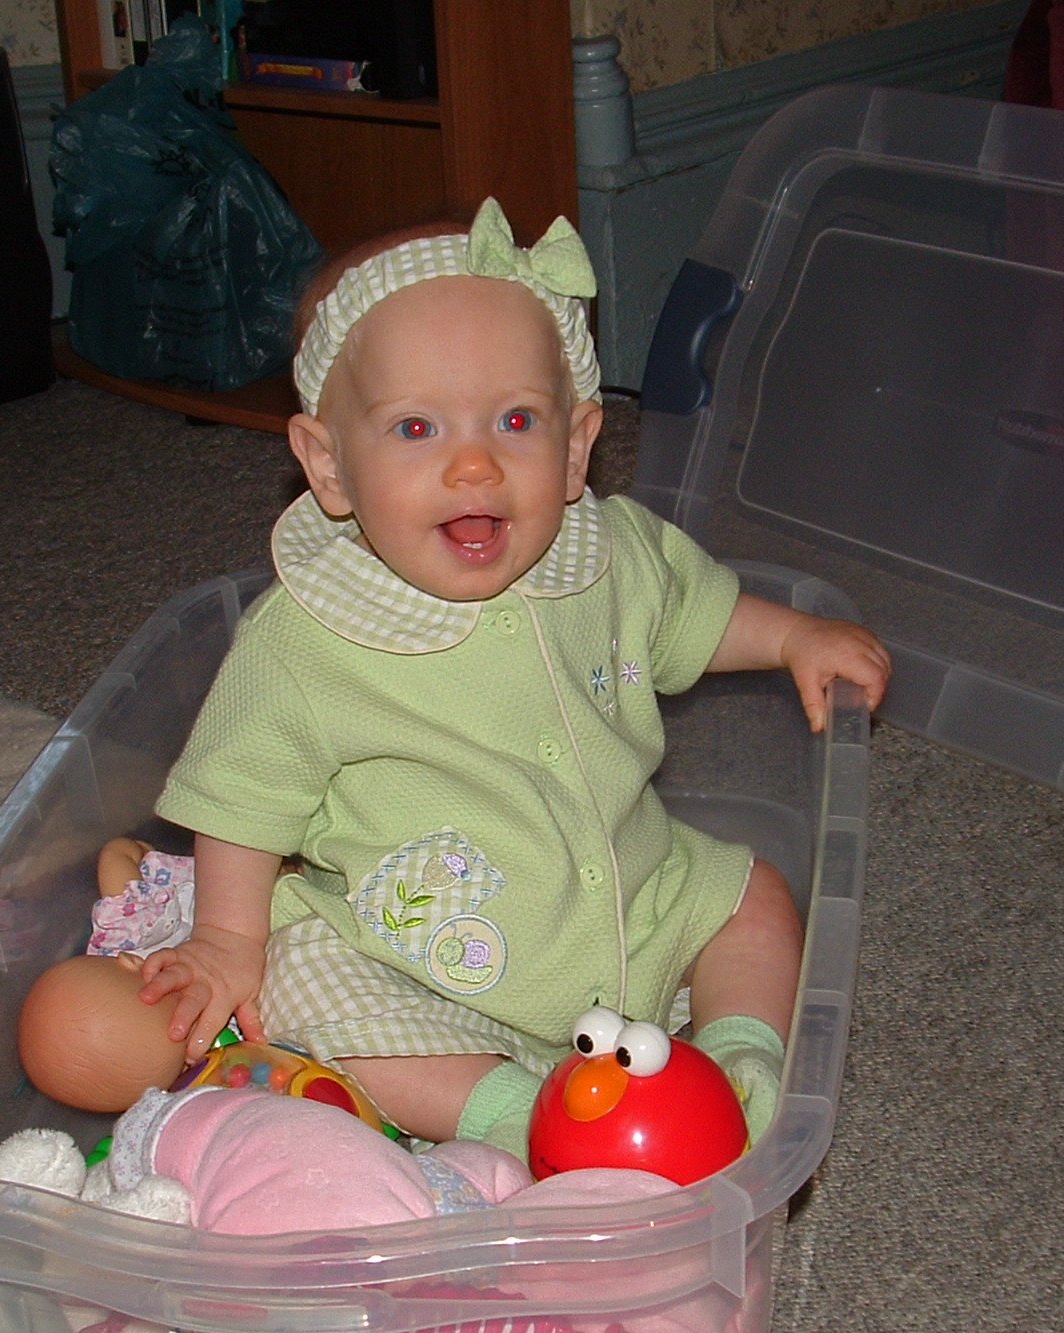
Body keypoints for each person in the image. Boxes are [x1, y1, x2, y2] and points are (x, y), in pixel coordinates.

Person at [135, 198, 889, 1159]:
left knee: (755, 898)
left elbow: (703, 618)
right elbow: (239, 801)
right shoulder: (304, 641)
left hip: (636, 903)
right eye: (415, 428)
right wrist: (228, 941)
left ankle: (741, 1064)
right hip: (430, 975)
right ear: (328, 467)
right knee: (304, 985)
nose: (475, 464)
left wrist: (793, 640)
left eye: (516, 419)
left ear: (576, 447)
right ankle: (521, 1124)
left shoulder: (611, 555)